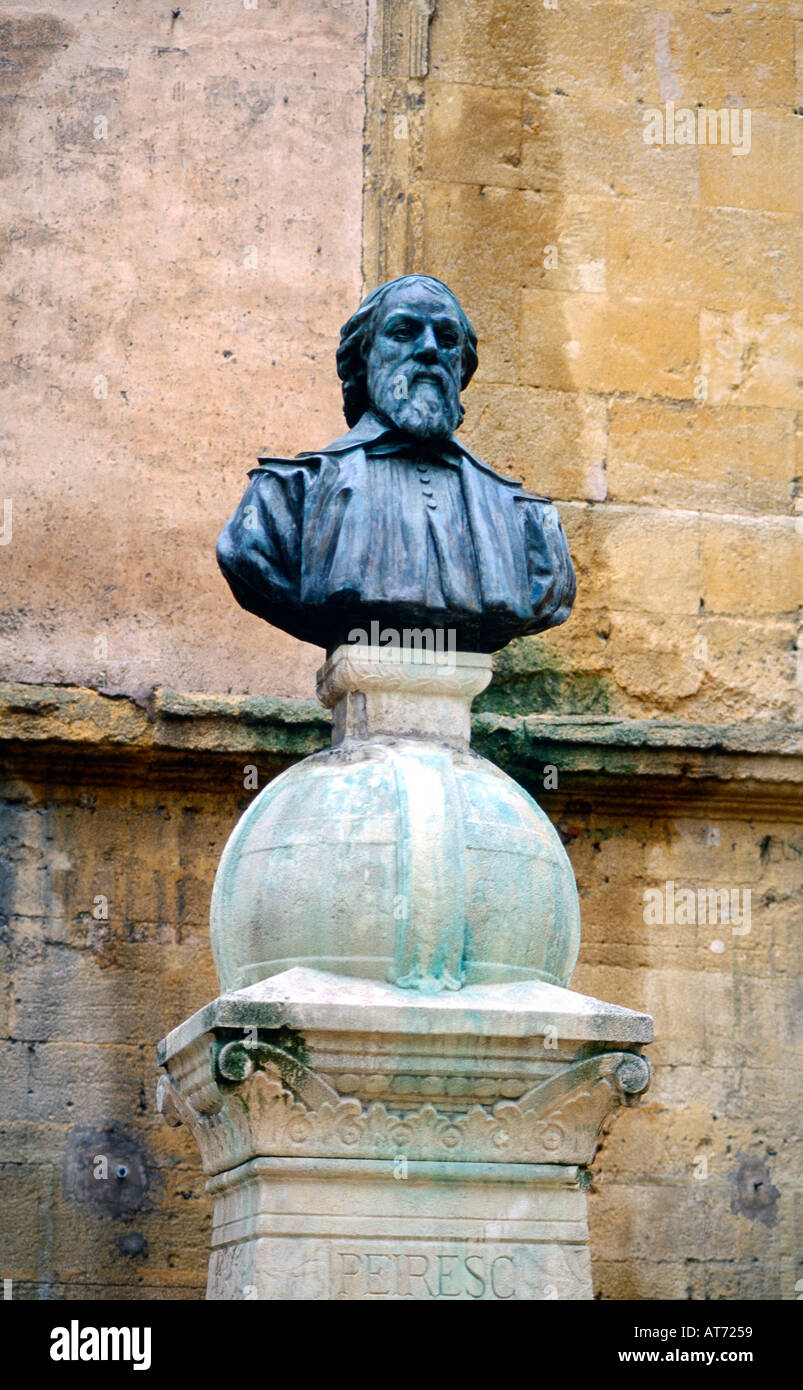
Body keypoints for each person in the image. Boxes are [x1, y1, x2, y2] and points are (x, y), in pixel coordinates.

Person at [217, 274, 576, 654]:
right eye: (403, 332)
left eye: (447, 339)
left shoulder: (527, 521)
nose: (429, 350)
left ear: (461, 367)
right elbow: (245, 560)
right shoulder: (284, 498)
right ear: (365, 356)